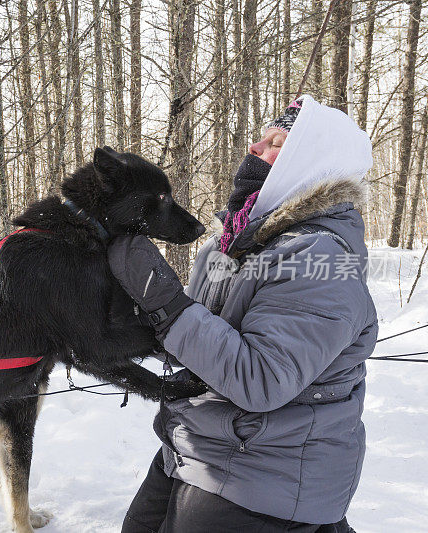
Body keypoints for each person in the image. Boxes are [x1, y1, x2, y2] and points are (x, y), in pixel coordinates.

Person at [108, 95, 377, 532]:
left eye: (277, 141)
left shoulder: (319, 258)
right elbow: (197, 342)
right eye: (259, 138)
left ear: (312, 162)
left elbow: (262, 379)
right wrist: (124, 317)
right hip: (198, 445)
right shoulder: (229, 244)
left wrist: (169, 306)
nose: (255, 148)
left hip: (268, 468)